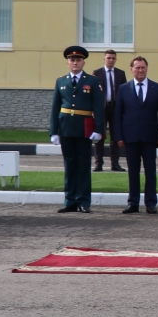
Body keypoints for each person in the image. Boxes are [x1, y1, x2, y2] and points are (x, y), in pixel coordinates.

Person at [49, 44, 106, 213]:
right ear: (68, 62)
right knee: (70, 165)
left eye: (78, 60)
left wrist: (99, 129)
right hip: (66, 128)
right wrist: (54, 131)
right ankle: (70, 200)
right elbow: (55, 108)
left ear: (83, 62)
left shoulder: (92, 81)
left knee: (83, 166)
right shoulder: (61, 81)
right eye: (72, 60)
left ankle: (83, 201)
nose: (75, 62)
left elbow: (99, 108)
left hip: (84, 128)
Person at [114, 55, 158, 213]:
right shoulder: (124, 89)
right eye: (137, 67)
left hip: (150, 137)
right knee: (133, 171)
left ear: (147, 69)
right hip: (130, 137)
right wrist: (119, 136)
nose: (140, 70)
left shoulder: (157, 88)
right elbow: (118, 115)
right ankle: (133, 203)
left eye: (143, 67)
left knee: (150, 171)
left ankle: (151, 203)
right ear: (131, 70)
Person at [92, 49, 127, 173]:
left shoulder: (120, 74)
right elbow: (94, 93)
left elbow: (124, 93)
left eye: (113, 58)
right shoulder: (97, 73)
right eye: (109, 58)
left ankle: (115, 164)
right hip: (101, 109)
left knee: (115, 137)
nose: (111, 60)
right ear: (104, 59)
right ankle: (98, 163)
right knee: (99, 137)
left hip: (115, 108)